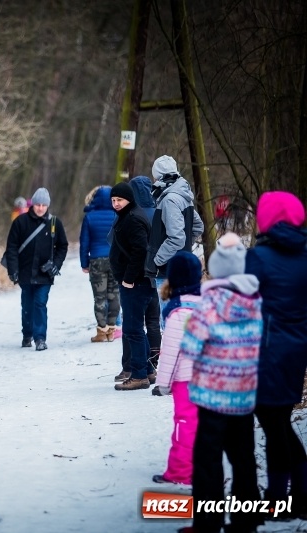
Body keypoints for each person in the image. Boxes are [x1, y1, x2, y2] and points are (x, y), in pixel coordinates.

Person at [179, 232, 263, 533]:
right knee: (243, 458)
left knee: (208, 459)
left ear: (215, 268)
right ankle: (246, 520)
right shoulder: (256, 303)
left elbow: (190, 348)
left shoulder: (209, 304)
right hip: (244, 395)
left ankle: (207, 522)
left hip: (213, 397)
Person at [245, 191, 307, 520]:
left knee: (274, 425)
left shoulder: (258, 257)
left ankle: (278, 500)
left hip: (265, 352)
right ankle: (297, 496)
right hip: (296, 351)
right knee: (279, 422)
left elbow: (241, 301)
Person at [151, 251, 202, 486]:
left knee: (185, 423)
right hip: (212, 378)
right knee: (202, 424)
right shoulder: (208, 305)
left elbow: (171, 352)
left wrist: (163, 384)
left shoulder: (178, 312)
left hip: (186, 380)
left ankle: (181, 472)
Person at [5, 187, 69, 351]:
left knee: (40, 303)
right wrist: (13, 270)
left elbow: (62, 246)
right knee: (27, 305)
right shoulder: (20, 222)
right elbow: (12, 247)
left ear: (48, 206)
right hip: (25, 272)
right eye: (38, 204)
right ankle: (27, 334)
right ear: (32, 204)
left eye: (44, 205)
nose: (40, 208)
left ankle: (40, 338)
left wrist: (56, 265)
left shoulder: (55, 223)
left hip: (44, 274)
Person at [108, 182, 157, 391]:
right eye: (113, 200)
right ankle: (147, 370)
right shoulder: (127, 216)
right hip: (133, 281)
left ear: (129, 199)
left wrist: (128, 278)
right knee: (134, 328)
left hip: (136, 282)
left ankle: (139, 375)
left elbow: (140, 251)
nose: (116, 204)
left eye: (119, 200)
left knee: (133, 329)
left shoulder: (133, 218)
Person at [145, 155, 205, 296]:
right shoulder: (182, 195)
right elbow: (198, 226)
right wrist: (185, 248)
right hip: (181, 264)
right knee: (181, 308)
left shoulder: (169, 199)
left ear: (158, 176)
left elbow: (177, 238)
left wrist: (157, 260)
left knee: (169, 309)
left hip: (167, 269)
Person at [79, 185, 118, 342]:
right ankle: (112, 330)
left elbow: (84, 243)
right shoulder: (117, 215)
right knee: (114, 295)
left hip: (96, 260)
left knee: (99, 297)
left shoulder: (89, 217)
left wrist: (84, 263)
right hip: (115, 260)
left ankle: (102, 331)